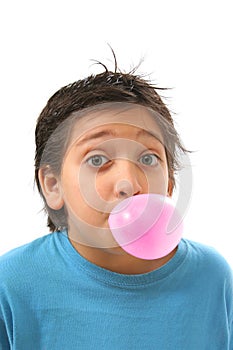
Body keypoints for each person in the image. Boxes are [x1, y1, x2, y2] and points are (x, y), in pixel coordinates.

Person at [0, 58, 232, 349]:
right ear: (53, 184)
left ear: (170, 182)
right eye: (97, 159)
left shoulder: (211, 277)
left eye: (148, 159)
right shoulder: (11, 284)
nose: (128, 184)